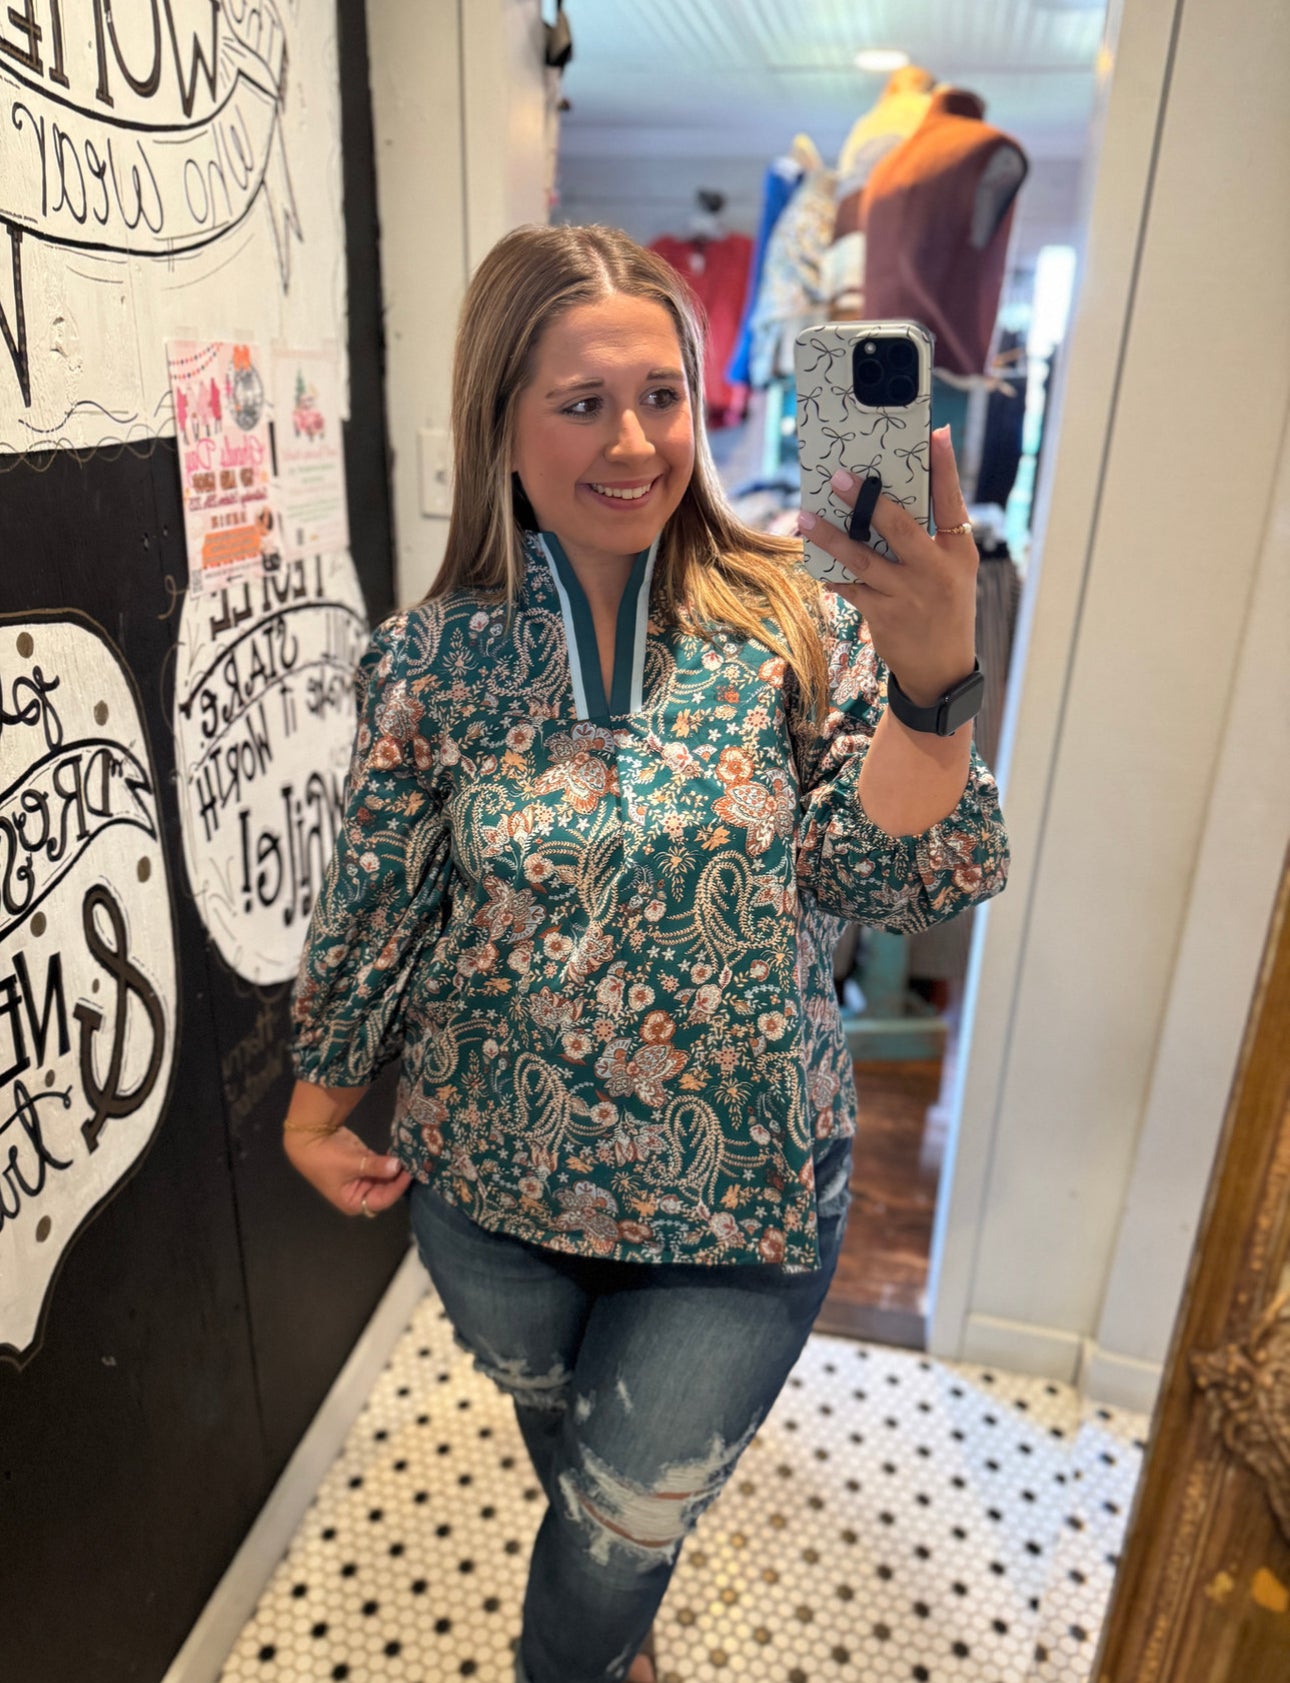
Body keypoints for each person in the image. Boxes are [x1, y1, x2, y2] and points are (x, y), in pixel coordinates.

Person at [283, 223, 1008, 1683]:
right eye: (581, 402)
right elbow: (380, 896)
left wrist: (931, 686)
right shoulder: (429, 660)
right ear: (498, 418)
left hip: (734, 1206)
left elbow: (882, 872)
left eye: (662, 395)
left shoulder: (800, 620)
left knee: (619, 1527)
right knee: (571, 1457)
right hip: (492, 1189)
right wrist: (316, 1100)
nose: (635, 441)